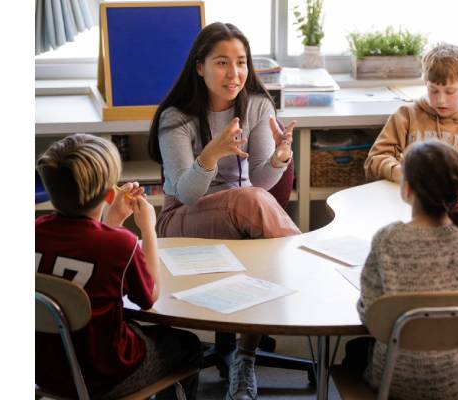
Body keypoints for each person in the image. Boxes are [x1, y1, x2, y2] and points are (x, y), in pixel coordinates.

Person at [147, 22, 300, 400]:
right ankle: (306, 269)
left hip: (242, 211)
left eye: (241, 62)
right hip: (181, 218)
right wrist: (211, 154)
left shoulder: (258, 105)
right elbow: (187, 193)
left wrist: (279, 160)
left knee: (251, 205)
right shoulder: (175, 117)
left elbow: (261, 183)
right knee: (249, 202)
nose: (234, 73)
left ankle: (244, 360)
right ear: (199, 67)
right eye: (221, 63)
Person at [35, 133, 203, 400]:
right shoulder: (119, 245)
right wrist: (148, 227)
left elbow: (87, 259)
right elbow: (150, 297)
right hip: (104, 375)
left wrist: (112, 222)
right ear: (111, 194)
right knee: (189, 346)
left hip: (44, 370)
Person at [348, 140, 458, 399]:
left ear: (407, 189)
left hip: (398, 376)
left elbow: (371, 311)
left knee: (352, 356)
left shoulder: (387, 239)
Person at [364, 43, 458, 188]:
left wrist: (454, 177)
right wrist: (396, 171)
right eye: (433, 90)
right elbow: (374, 161)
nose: (441, 100)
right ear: (425, 83)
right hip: (410, 203)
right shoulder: (405, 116)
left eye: (450, 92)